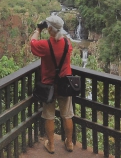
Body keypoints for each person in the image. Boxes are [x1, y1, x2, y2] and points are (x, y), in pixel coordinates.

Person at [29, 15, 74, 154]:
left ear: (49, 29)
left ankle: (52, 145)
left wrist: (37, 29)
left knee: (49, 115)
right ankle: (69, 143)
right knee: (67, 114)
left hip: (48, 86)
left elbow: (32, 43)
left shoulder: (45, 45)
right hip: (65, 84)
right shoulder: (67, 43)